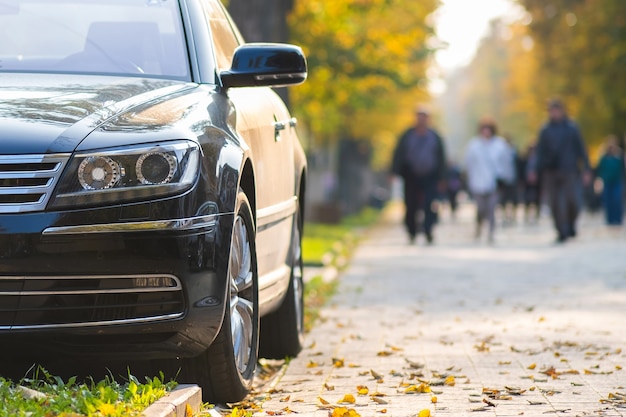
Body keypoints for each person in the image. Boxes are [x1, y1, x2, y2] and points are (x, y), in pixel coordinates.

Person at [530, 99, 591, 243]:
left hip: (569, 169)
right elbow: (540, 152)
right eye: (551, 110)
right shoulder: (545, 129)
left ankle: (570, 224)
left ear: (562, 111)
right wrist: (534, 170)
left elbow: (581, 149)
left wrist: (586, 168)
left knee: (573, 200)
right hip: (550, 171)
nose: (554, 113)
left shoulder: (572, 128)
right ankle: (560, 230)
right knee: (555, 203)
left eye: (556, 110)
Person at [392, 105, 447, 244]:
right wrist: (394, 171)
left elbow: (441, 158)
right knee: (411, 205)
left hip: (430, 176)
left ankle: (428, 230)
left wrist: (442, 178)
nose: (421, 119)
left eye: (424, 117)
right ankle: (412, 231)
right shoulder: (407, 135)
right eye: (419, 116)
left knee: (430, 204)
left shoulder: (435, 136)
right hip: (411, 176)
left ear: (428, 119)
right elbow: (398, 154)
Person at [464, 118, 510, 243]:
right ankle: (478, 227)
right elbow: (468, 164)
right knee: (481, 209)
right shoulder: (474, 145)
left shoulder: (500, 145)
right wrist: (468, 179)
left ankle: (491, 232)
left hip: (495, 182)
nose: (486, 132)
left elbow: (506, 163)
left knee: (492, 209)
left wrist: (506, 178)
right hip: (478, 182)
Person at [596, 135, 624, 225]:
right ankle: (610, 219)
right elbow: (599, 169)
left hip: (617, 181)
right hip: (607, 181)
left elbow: (623, 169)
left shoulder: (619, 156)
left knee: (617, 200)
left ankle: (618, 218)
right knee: (608, 201)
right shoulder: (604, 157)